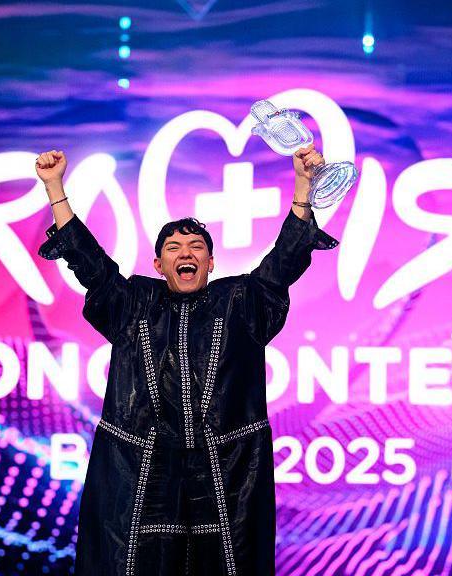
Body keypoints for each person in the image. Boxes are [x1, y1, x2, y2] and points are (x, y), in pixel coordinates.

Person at [35, 143, 338, 575]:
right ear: (159, 263)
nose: (186, 254)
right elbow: (93, 267)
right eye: (174, 248)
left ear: (211, 261)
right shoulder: (133, 302)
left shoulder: (239, 301)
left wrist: (304, 186)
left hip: (227, 475)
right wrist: (55, 188)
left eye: (196, 247)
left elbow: (282, 264)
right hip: (141, 474)